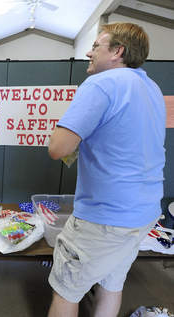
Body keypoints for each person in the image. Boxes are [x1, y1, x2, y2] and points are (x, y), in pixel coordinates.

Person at [47, 22, 166, 317]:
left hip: (105, 217)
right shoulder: (150, 87)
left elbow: (58, 148)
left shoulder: (102, 83)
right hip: (144, 212)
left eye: (97, 47)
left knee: (67, 290)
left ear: (117, 52)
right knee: (111, 284)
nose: (89, 52)